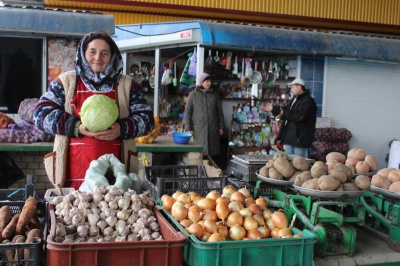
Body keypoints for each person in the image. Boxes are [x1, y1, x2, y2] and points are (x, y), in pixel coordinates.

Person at [34, 31, 154, 189]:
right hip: (72, 176)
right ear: (83, 54)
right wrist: (77, 127)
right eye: (92, 52)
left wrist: (122, 129)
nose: (98, 57)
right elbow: (40, 114)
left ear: (112, 57)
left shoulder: (127, 85)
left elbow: (147, 120)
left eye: (104, 53)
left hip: (116, 178)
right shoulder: (66, 82)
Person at [264, 78, 317, 158]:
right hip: (290, 138)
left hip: (300, 140)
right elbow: (286, 110)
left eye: (292, 87)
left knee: (300, 166)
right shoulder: (295, 99)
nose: (290, 89)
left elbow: (298, 115)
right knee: (289, 166)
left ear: (299, 87)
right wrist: (274, 109)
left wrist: (283, 114)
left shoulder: (308, 101)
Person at [183, 73, 225, 160]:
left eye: (210, 81)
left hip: (212, 129)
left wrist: (221, 126)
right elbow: (187, 112)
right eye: (207, 81)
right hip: (198, 129)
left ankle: (211, 171)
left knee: (212, 155)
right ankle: (201, 171)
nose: (209, 83)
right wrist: (188, 127)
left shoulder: (214, 95)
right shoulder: (193, 95)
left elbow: (220, 112)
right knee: (199, 154)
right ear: (201, 82)